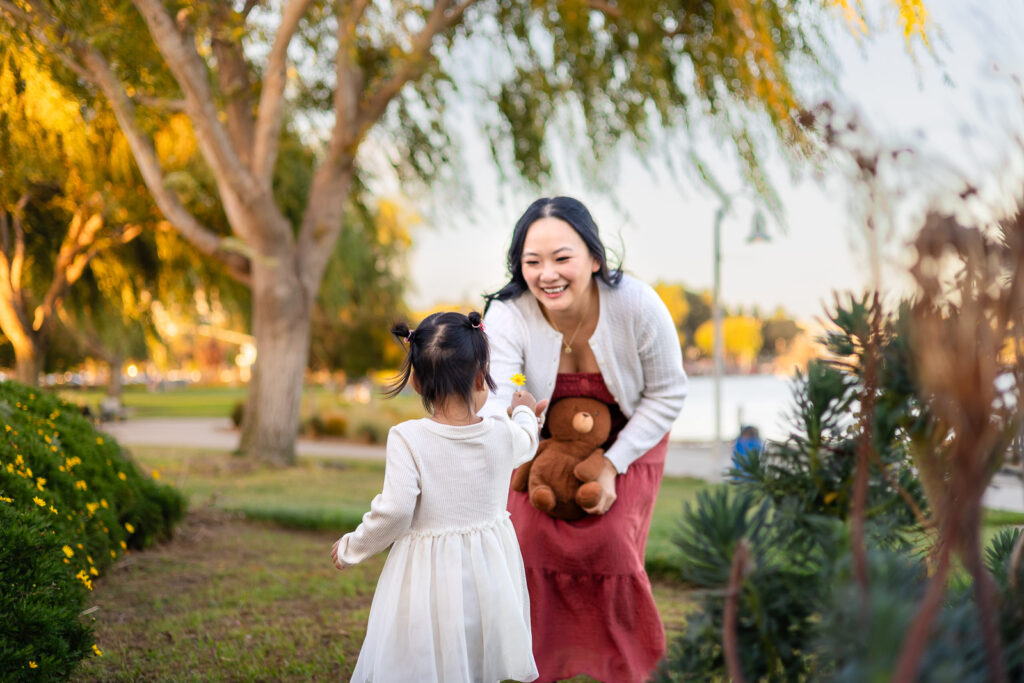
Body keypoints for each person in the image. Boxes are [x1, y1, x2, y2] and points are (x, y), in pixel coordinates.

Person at [480, 196, 688, 683]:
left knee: (614, 545)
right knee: (524, 539)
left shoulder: (637, 305)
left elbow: (668, 393)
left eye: (561, 258)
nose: (546, 274)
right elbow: (496, 392)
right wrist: (515, 416)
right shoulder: (508, 313)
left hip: (630, 435)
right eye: (532, 262)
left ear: (595, 258)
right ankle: (529, 668)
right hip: (542, 442)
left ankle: (630, 670)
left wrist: (612, 466)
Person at [330, 311, 545, 683]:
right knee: (475, 656)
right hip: (489, 576)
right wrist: (524, 410)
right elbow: (527, 442)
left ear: (415, 381)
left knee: (424, 661)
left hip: (427, 579)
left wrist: (353, 547)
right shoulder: (500, 432)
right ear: (482, 377)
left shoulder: (408, 438)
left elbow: (395, 511)